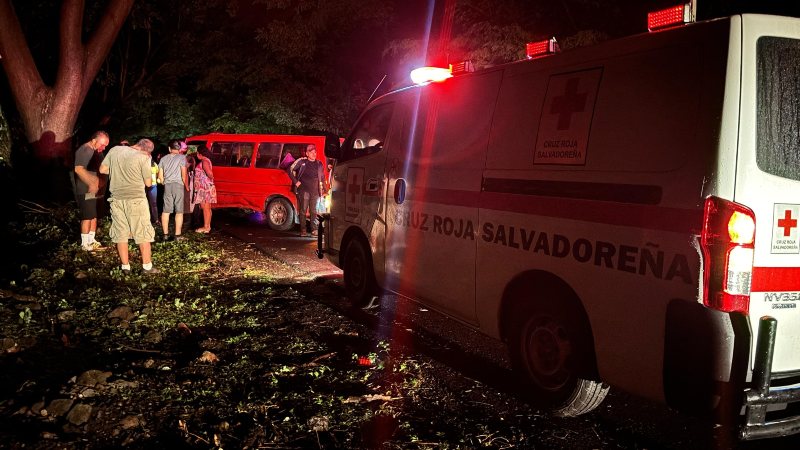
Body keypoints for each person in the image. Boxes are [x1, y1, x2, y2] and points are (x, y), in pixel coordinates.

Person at [99, 139, 160, 274]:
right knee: (142, 232)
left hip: (116, 199)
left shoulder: (115, 150)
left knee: (120, 232)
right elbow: (148, 183)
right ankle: (147, 266)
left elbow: (102, 169)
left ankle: (125, 267)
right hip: (136, 200)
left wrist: (119, 170)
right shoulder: (143, 157)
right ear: (146, 150)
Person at [74, 131, 110, 251]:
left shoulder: (95, 151)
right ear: (94, 140)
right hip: (86, 189)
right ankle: (85, 244)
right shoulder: (85, 150)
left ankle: (91, 240)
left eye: (106, 145)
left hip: (95, 189)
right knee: (88, 215)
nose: (104, 147)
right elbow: (78, 169)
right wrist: (92, 182)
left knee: (94, 214)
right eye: (102, 144)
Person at [289, 144, 325, 237]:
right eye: (312, 152)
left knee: (313, 211)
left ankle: (314, 229)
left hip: (315, 192)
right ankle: (303, 230)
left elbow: (322, 177)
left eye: (315, 152)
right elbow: (290, 170)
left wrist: (324, 189)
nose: (314, 154)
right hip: (304, 191)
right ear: (307, 153)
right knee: (303, 210)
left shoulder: (319, 163)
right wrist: (295, 182)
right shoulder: (302, 162)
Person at [158, 140, 189, 240]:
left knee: (166, 210)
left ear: (169, 148)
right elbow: (183, 174)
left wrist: (164, 183)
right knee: (179, 211)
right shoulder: (182, 158)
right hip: (178, 185)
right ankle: (177, 235)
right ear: (179, 149)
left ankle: (165, 235)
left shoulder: (163, 159)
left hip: (167, 185)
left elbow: (160, 176)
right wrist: (186, 186)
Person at [192, 146, 217, 233]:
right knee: (207, 208)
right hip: (206, 187)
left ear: (200, 154)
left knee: (205, 207)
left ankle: (206, 227)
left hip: (204, 188)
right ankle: (207, 226)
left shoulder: (204, 161)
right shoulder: (207, 160)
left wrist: (206, 179)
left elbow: (210, 173)